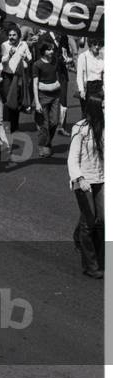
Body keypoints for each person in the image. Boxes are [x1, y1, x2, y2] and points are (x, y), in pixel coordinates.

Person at [68, 94, 104, 278]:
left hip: (102, 179)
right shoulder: (80, 129)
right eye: (103, 107)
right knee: (90, 221)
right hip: (84, 181)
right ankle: (91, 265)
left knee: (103, 220)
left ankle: (80, 237)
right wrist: (79, 178)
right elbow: (72, 158)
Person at [32, 40, 62, 159]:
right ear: (43, 51)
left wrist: (58, 84)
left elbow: (60, 75)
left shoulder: (55, 61)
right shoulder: (37, 64)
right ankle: (43, 145)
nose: (52, 51)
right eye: (49, 49)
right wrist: (37, 102)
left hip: (55, 95)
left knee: (54, 121)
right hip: (43, 96)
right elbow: (35, 83)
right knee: (44, 124)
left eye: (53, 49)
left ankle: (47, 141)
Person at [76, 40, 104, 113]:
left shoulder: (102, 56)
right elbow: (79, 75)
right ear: (90, 44)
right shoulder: (83, 56)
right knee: (89, 114)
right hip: (88, 88)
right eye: (95, 44)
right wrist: (81, 90)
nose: (97, 47)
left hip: (100, 87)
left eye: (99, 44)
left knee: (99, 113)